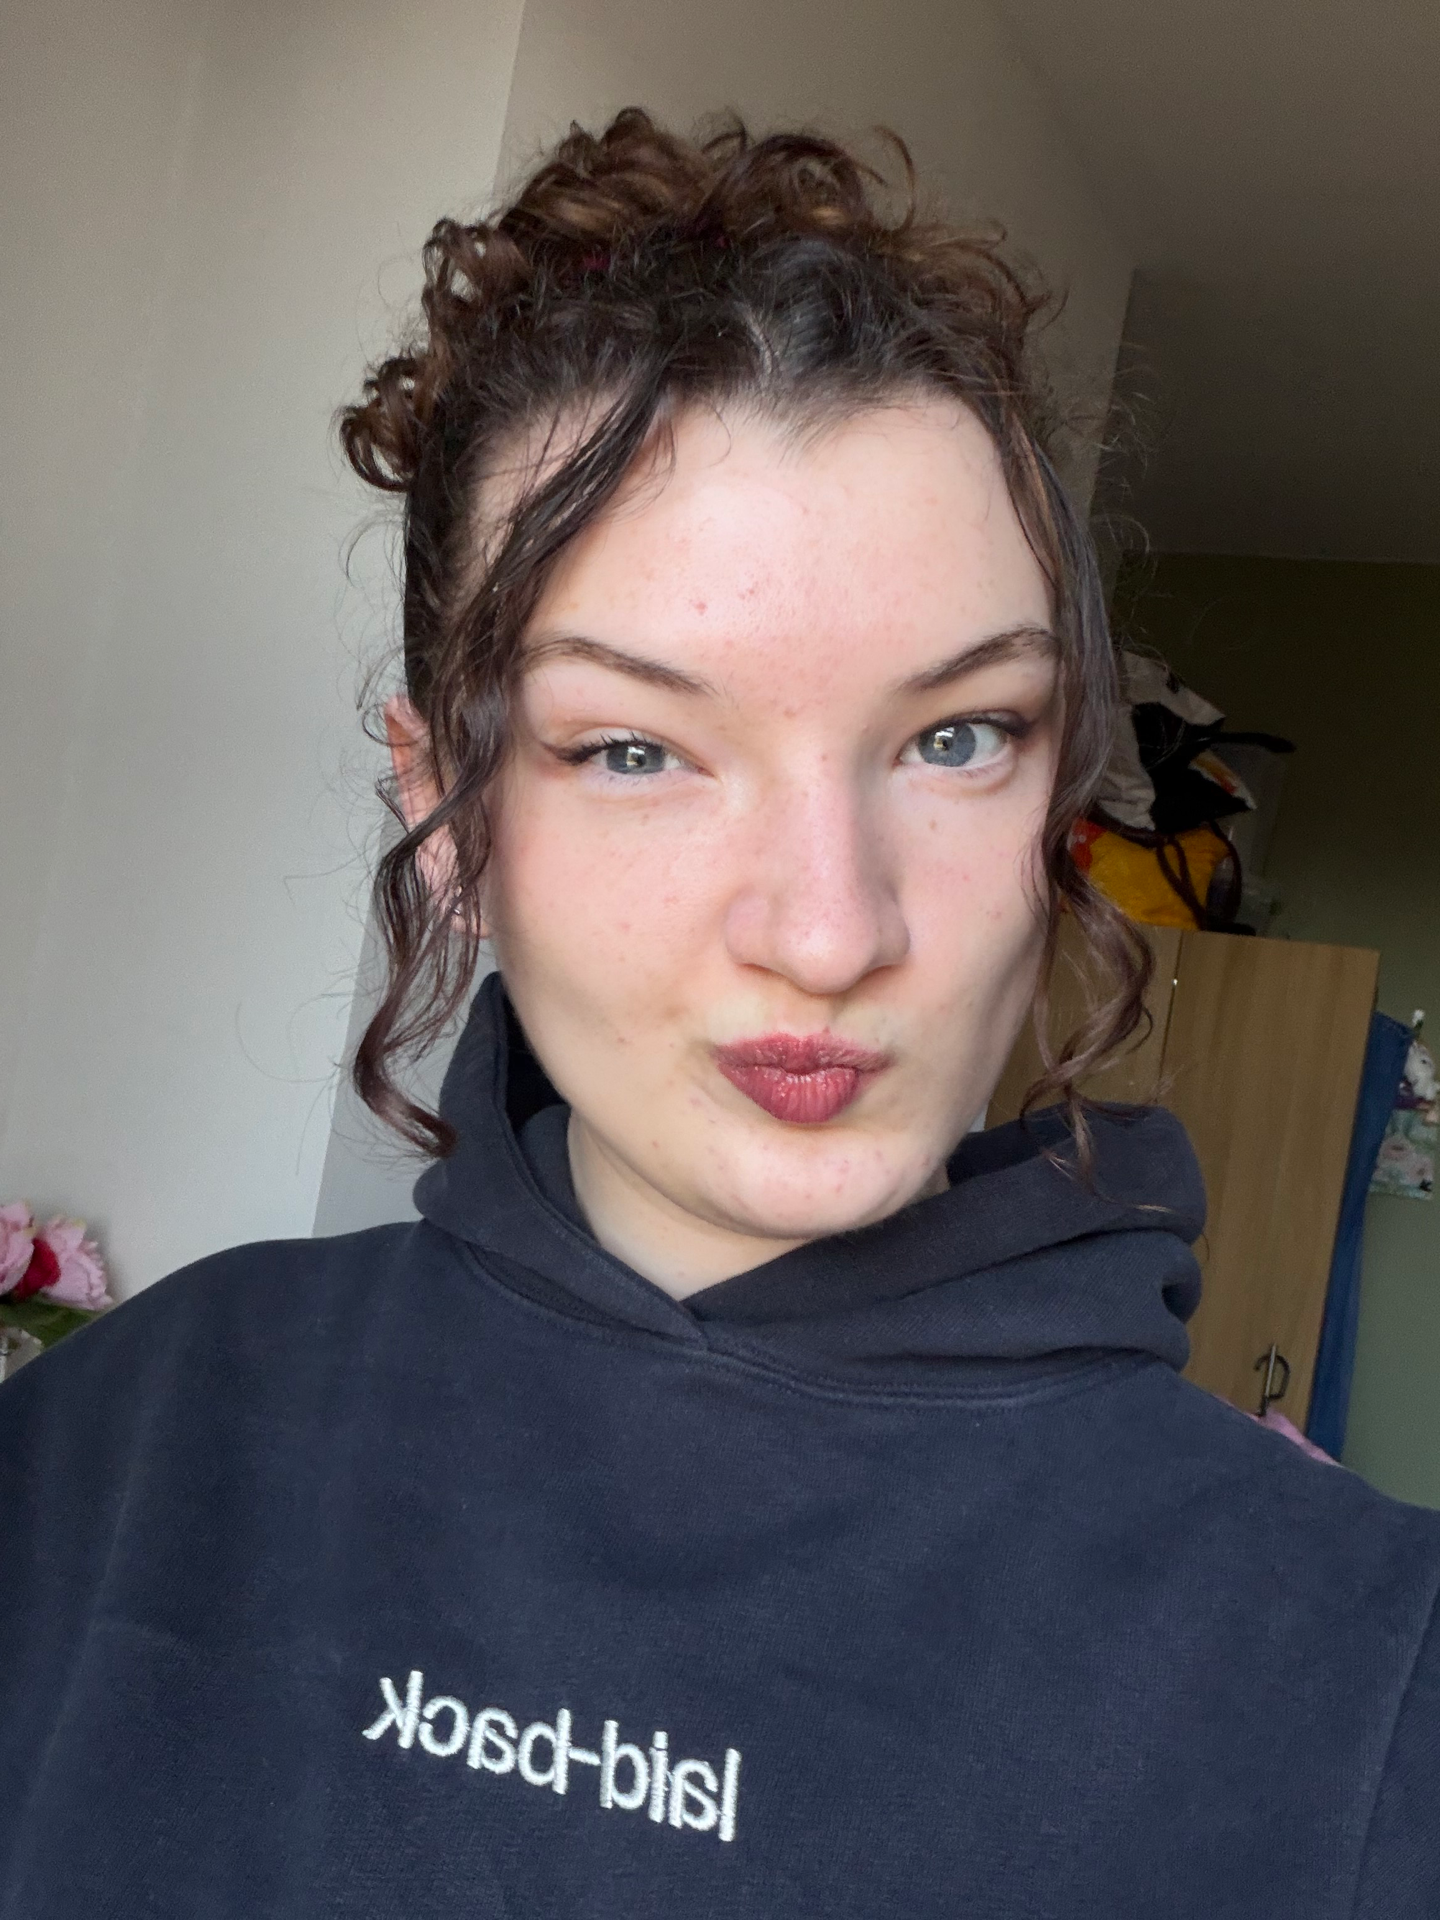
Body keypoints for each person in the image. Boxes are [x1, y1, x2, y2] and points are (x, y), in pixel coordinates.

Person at [1, 110, 1436, 1919]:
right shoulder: (121, 1448)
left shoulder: (1370, 1673)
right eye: (634, 749)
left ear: (1065, 782)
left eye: (956, 736)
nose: (828, 932)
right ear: (446, 813)